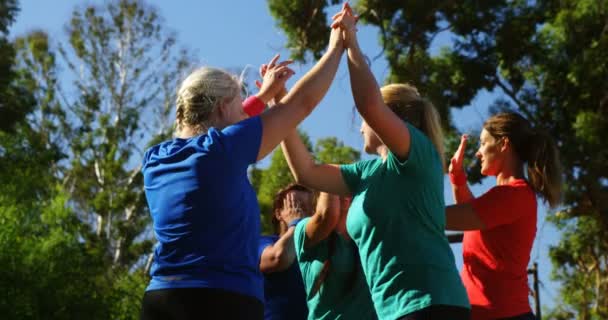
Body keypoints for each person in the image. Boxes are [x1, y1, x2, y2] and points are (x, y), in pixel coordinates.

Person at [139, 24, 346, 319]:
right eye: (238, 109)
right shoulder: (221, 150)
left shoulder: (154, 159)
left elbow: (230, 125)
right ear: (222, 108)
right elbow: (302, 103)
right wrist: (337, 47)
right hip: (222, 300)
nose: (244, 117)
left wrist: (263, 97)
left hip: (161, 299)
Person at [279, 4, 470, 319]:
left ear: (391, 119)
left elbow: (368, 103)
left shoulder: (417, 155)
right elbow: (306, 171)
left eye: (365, 120)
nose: (360, 126)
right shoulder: (365, 173)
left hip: (432, 303)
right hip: (394, 310)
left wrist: (350, 43)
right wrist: (280, 108)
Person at [446, 112, 562, 320]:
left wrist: (402, 206)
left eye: (483, 143)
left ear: (503, 144)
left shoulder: (514, 195)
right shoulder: (507, 198)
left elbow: (445, 217)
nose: (478, 153)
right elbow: (470, 217)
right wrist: (457, 177)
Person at [294, 192, 377, 320]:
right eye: (336, 186)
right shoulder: (303, 229)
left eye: (348, 186)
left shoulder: (369, 234)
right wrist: (328, 174)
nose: (344, 192)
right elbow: (327, 215)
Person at [258, 183, 314, 320]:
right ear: (278, 213)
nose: (303, 214)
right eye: (296, 207)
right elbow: (278, 258)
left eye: (308, 209)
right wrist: (296, 223)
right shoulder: (263, 242)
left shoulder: (317, 250)